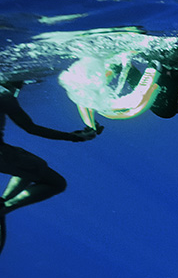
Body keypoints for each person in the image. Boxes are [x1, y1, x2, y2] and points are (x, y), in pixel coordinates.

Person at [1, 79, 103, 254]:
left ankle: (3, 204)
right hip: (3, 155)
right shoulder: (4, 96)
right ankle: (5, 207)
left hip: (5, 153)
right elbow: (31, 128)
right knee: (56, 183)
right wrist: (73, 137)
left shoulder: (5, 96)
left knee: (33, 167)